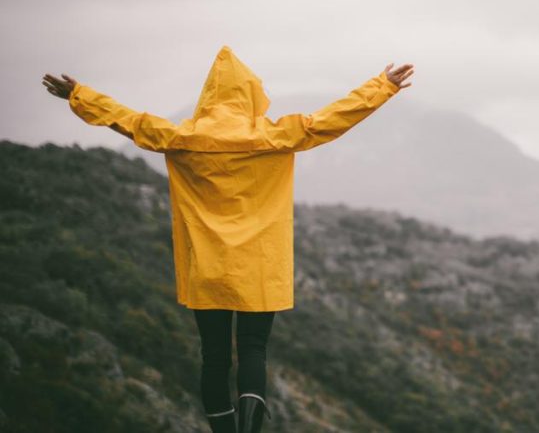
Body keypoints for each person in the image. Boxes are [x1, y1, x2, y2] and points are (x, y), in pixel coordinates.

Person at [42, 46, 414, 433]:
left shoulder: (181, 136)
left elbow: (128, 120)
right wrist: (381, 87)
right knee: (254, 349)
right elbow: (331, 119)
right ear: (251, 93)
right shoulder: (273, 135)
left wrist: (78, 95)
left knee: (214, 357)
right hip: (258, 265)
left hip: (208, 266)